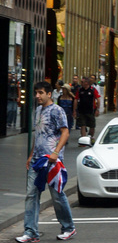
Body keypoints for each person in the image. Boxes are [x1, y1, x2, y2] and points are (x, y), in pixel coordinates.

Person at [16, 81, 76, 242]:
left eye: (40, 93)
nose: (37, 96)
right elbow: (39, 135)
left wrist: (56, 152)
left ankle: (68, 228)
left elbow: (65, 132)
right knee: (31, 195)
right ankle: (30, 232)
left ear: (49, 94)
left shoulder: (57, 110)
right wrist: (30, 155)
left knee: (57, 195)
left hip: (52, 161)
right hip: (37, 160)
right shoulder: (37, 110)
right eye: (36, 93)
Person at [74, 76, 100, 141]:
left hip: (91, 111)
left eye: (82, 82)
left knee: (92, 126)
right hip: (81, 111)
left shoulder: (93, 90)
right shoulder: (79, 90)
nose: (81, 83)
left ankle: (91, 137)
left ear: (86, 83)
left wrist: (97, 109)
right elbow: (76, 100)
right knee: (83, 125)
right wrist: (74, 110)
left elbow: (98, 99)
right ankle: (84, 139)